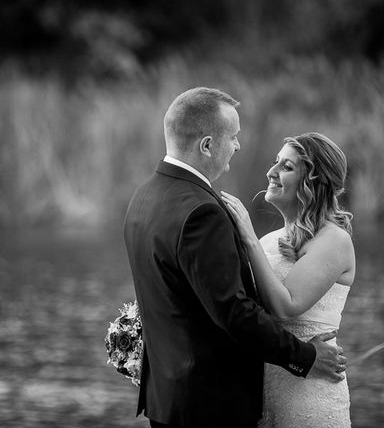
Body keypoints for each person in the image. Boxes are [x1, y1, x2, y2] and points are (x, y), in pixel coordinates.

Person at [123, 87, 347, 428]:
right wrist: (306, 357)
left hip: (169, 402)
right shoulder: (203, 212)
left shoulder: (143, 198)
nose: (239, 146)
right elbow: (234, 313)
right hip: (208, 406)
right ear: (208, 145)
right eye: (233, 136)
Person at [221, 132, 354, 427]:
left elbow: (285, 307)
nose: (271, 172)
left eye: (287, 167)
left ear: (314, 181)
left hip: (310, 393)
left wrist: (247, 235)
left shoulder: (334, 240)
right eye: (275, 162)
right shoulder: (268, 241)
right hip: (262, 390)